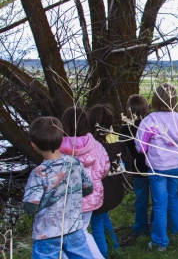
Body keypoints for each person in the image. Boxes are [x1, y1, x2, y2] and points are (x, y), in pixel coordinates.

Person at [23, 116, 94, 259]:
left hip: (47, 233)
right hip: (74, 227)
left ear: (33, 145)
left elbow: (30, 207)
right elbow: (88, 188)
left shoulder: (39, 173)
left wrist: (48, 202)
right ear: (62, 140)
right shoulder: (74, 163)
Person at [135, 83, 178, 251]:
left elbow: (140, 147)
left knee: (159, 203)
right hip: (176, 165)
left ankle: (160, 241)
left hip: (157, 167)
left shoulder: (150, 120)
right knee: (173, 198)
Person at [59, 107, 110, 259]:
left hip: (67, 199)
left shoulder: (58, 148)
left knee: (65, 232)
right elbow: (104, 169)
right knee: (81, 230)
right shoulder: (96, 145)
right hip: (90, 197)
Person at [88, 104, 133, 258]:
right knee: (103, 217)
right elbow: (125, 164)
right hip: (114, 190)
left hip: (98, 192)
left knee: (97, 225)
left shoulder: (90, 145)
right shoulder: (116, 140)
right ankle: (115, 248)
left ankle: (103, 254)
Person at [120, 94, 151, 237]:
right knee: (158, 199)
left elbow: (124, 150)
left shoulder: (125, 129)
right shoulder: (149, 125)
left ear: (127, 111)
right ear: (146, 109)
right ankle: (156, 224)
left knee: (141, 200)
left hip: (137, 168)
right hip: (153, 166)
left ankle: (140, 228)